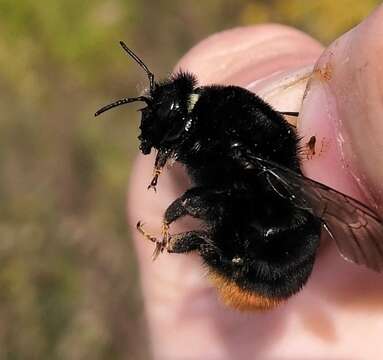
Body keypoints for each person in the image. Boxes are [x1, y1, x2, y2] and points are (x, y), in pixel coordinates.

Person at [128, 6, 383, 359]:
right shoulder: (219, 124)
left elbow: (199, 197)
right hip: (262, 256)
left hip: (272, 262)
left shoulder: (232, 143)